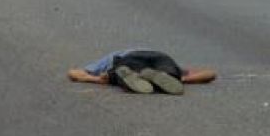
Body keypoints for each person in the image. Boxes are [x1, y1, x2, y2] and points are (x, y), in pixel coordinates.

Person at [68, 49, 216, 95]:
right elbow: (210, 74)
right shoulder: (162, 59)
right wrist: (182, 79)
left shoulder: (113, 57)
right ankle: (165, 77)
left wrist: (97, 79)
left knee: (119, 72)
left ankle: (122, 76)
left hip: (130, 60)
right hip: (161, 57)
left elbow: (73, 73)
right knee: (170, 74)